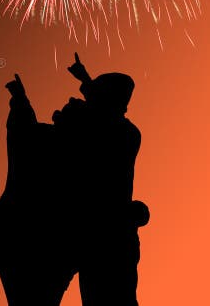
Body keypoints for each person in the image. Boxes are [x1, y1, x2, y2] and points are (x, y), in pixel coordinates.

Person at [63, 54, 148, 306]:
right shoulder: (122, 129)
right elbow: (102, 112)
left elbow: (102, 117)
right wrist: (85, 78)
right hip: (104, 233)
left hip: (110, 234)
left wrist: (85, 81)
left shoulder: (124, 133)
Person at [0, 74, 75, 306]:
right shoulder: (64, 144)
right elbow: (23, 129)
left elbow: (22, 129)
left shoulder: (57, 143)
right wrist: (20, 99)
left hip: (31, 243)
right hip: (38, 245)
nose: (61, 109)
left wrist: (20, 99)